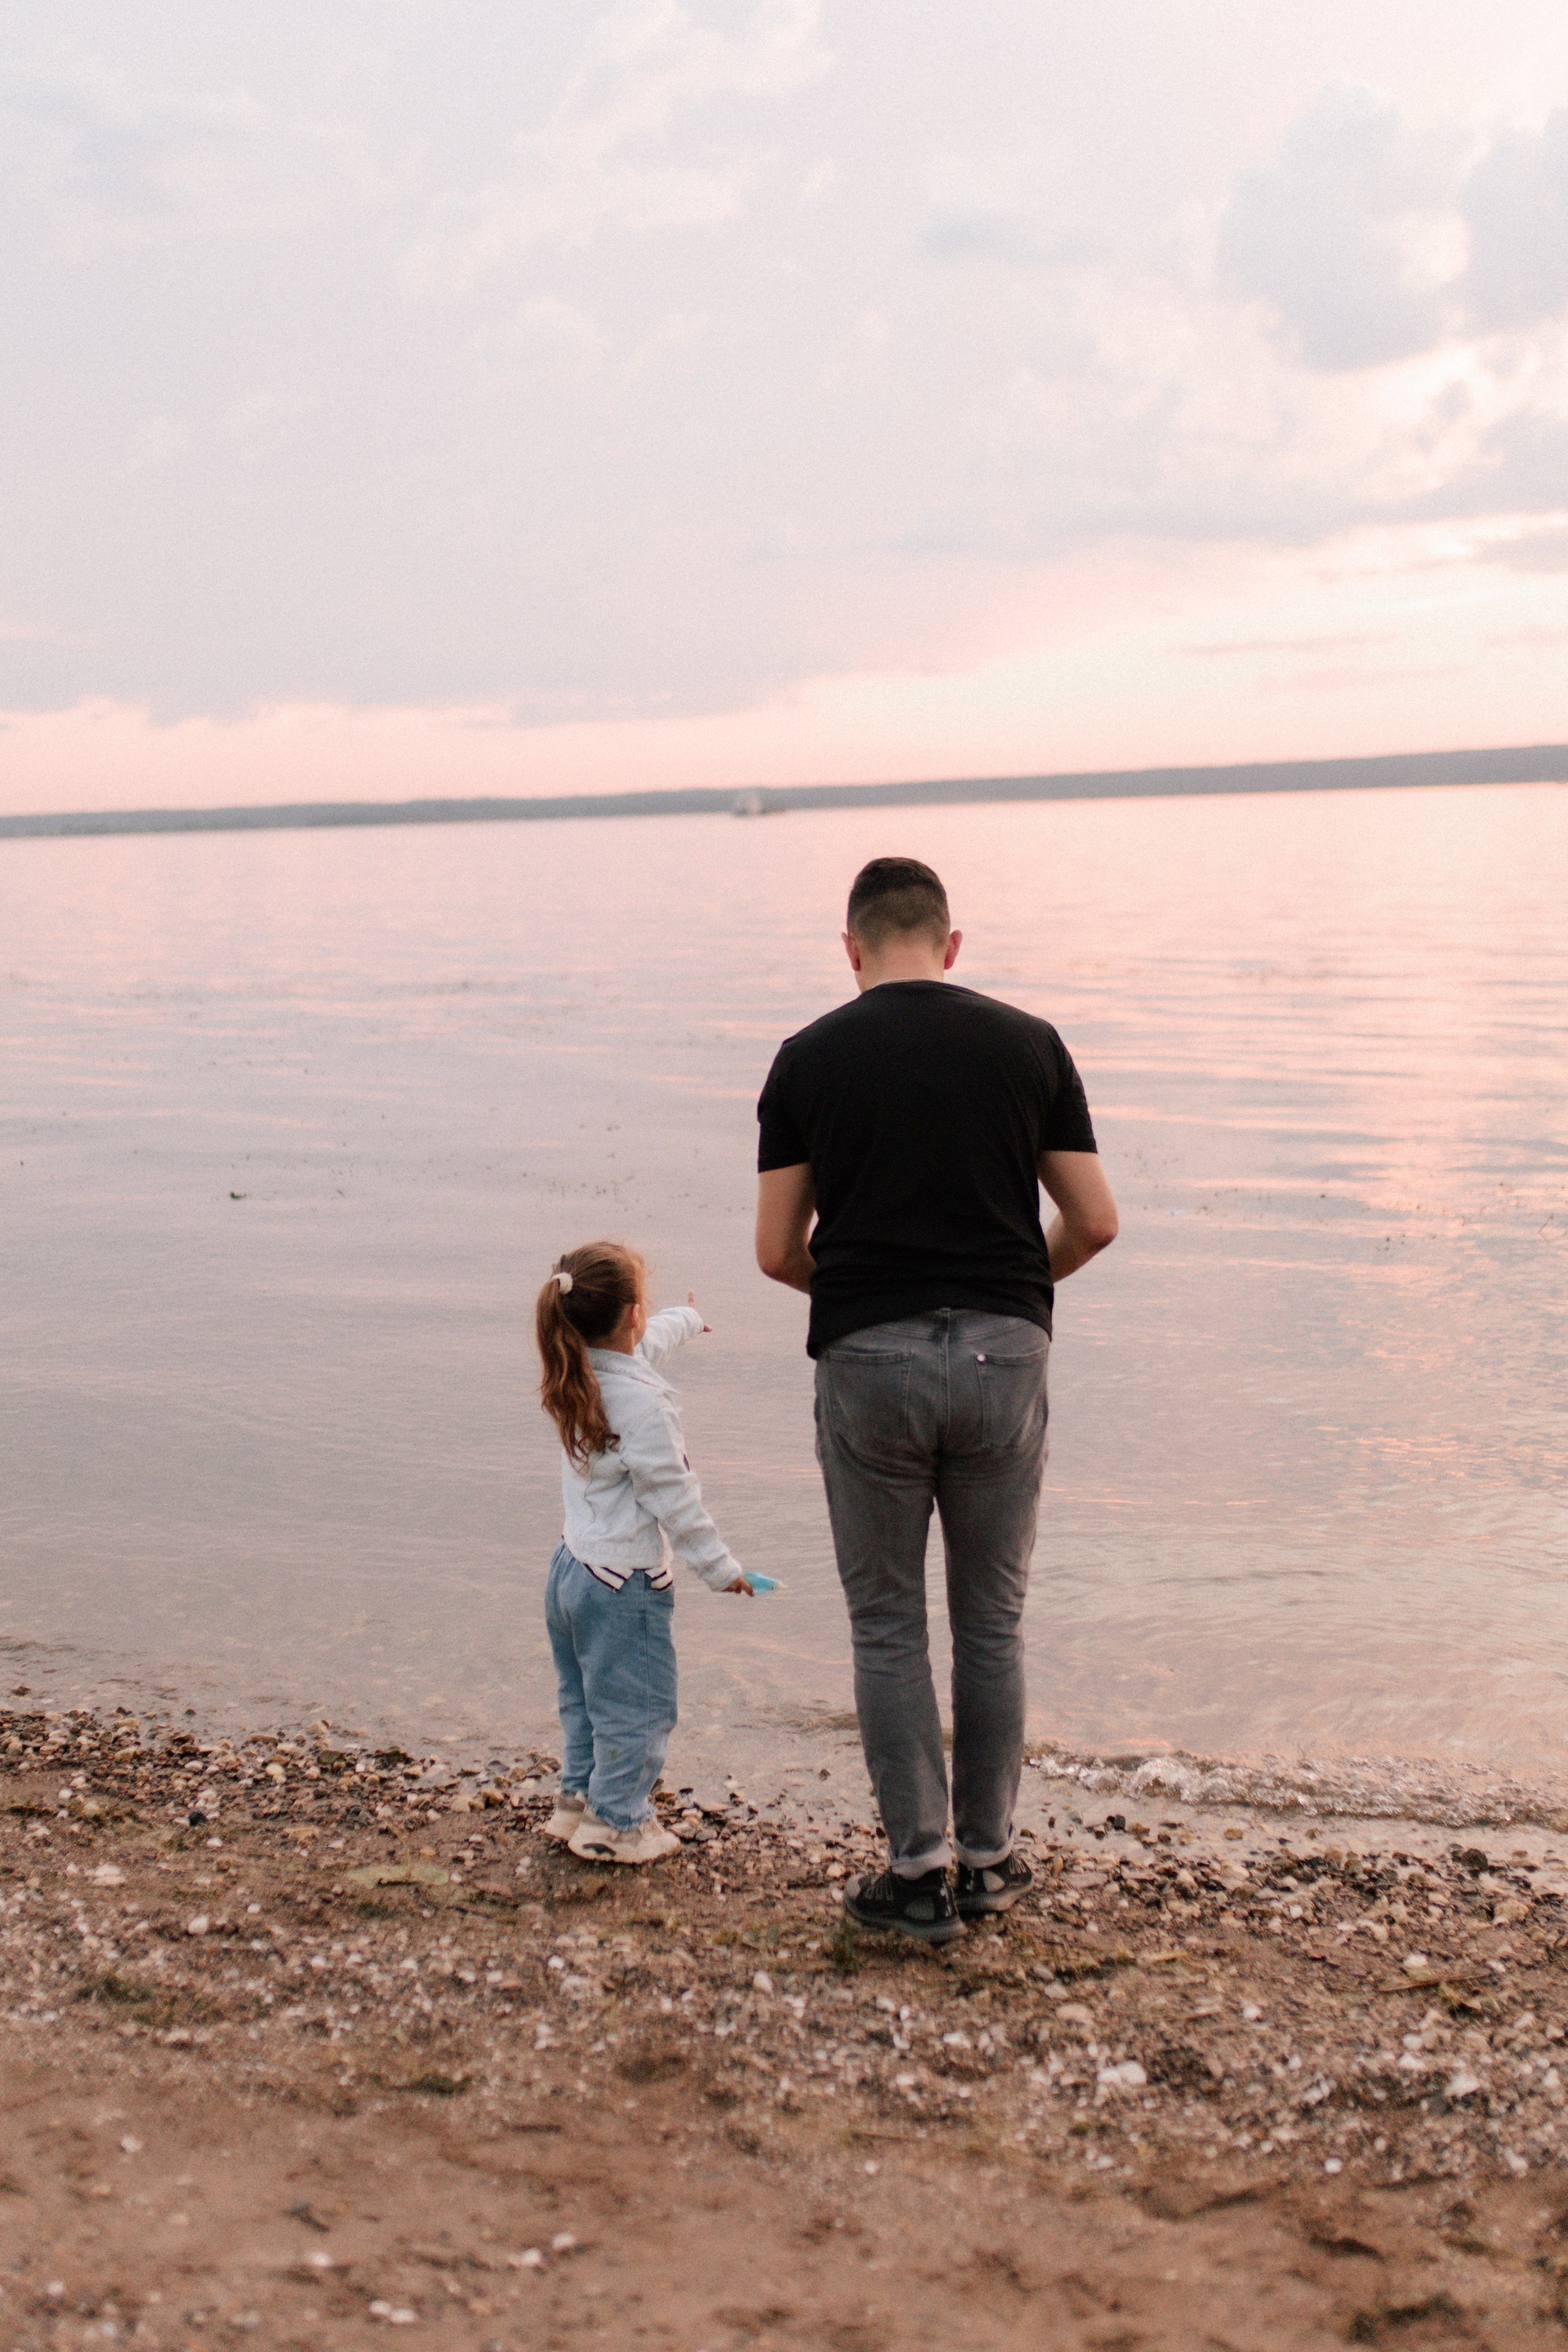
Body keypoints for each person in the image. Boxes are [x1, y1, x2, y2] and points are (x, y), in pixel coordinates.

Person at [755, 858, 1117, 1942]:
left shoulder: (807, 1058)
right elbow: (1096, 1221)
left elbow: (776, 1251)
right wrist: (1010, 1290)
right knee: (991, 1621)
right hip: (1006, 1353)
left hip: (869, 1361)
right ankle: (991, 1860)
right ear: (951, 945)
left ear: (852, 950)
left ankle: (917, 1876)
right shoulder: (1030, 1044)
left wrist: (868, 1300)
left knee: (887, 1624)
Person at [535, 1241, 753, 1866]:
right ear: (632, 1314)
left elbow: (644, 1347)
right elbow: (672, 1496)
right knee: (639, 1708)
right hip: (622, 1585)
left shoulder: (575, 1369)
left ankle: (576, 1800)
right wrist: (720, 1568)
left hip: (571, 1571)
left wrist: (687, 1319)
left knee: (583, 1698)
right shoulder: (643, 1404)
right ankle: (617, 1824)